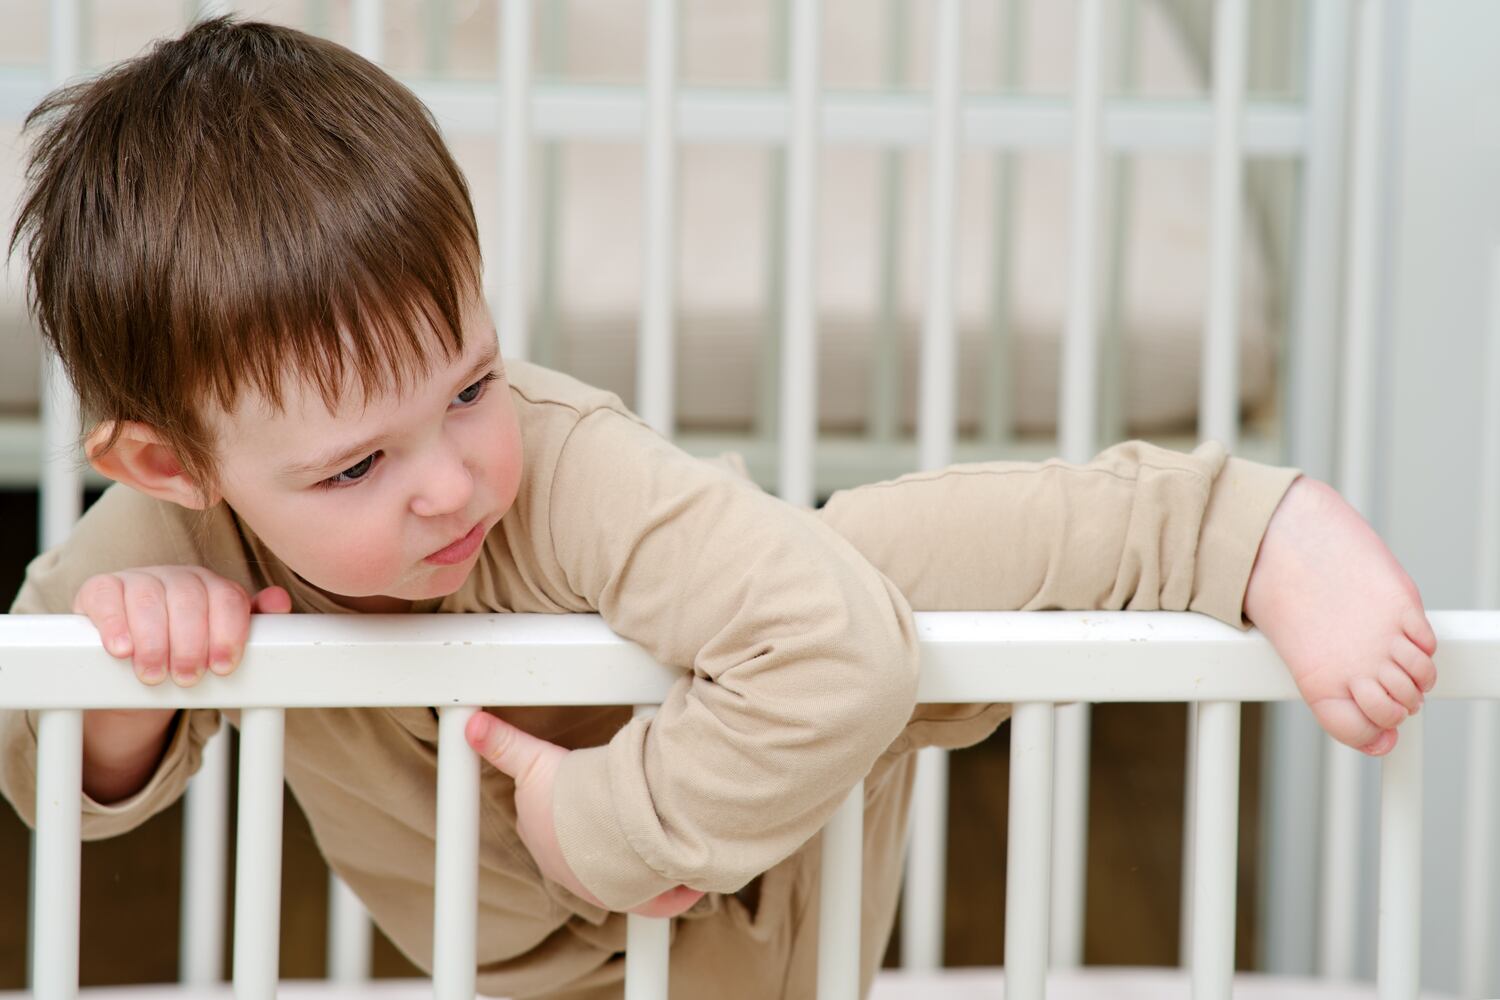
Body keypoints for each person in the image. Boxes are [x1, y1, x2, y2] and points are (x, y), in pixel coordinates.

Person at [0, 18, 1436, 999]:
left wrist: (608, 820)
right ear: (169, 465)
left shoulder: (555, 468)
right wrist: (137, 673)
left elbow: (841, 656)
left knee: (861, 575)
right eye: (358, 469)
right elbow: (41, 771)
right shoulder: (166, 531)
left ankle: (1225, 527)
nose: (450, 478)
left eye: (471, 383)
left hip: (754, 906)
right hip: (533, 974)